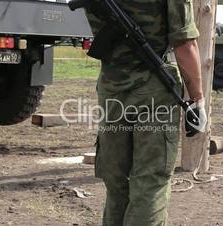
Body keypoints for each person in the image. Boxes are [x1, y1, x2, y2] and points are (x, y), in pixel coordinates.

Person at [86, 0, 207, 225]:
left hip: (112, 87)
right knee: (150, 182)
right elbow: (184, 43)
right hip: (155, 91)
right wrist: (197, 99)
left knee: (116, 184)